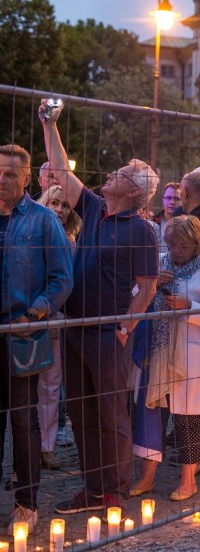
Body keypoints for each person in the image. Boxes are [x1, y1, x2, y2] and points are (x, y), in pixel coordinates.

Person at [41, 99, 160, 519]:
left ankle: (115, 491)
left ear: (134, 191)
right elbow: (60, 169)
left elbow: (146, 289)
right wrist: (48, 122)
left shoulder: (142, 229)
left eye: (121, 174)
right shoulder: (93, 208)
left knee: (111, 413)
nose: (111, 175)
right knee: (82, 412)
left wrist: (126, 328)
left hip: (108, 332)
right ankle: (91, 489)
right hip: (76, 326)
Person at [0, 144, 73, 535]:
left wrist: (34, 313)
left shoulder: (44, 221)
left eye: (10, 174)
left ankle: (26, 504)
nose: (1, 180)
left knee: (24, 422)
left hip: (23, 333)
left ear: (27, 178)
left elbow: (62, 278)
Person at [129, 216, 200, 502]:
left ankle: (188, 480)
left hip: (190, 355)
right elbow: (135, 294)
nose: (175, 250)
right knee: (153, 415)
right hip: (157, 354)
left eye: (182, 245)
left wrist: (189, 306)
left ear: (196, 243)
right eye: (171, 244)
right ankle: (147, 477)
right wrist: (154, 285)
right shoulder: (158, 263)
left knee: (188, 418)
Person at [36, 186, 80, 471]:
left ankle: (46, 446)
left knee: (51, 387)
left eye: (65, 205)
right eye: (54, 202)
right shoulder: (29, 234)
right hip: (25, 319)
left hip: (56, 321)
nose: (60, 210)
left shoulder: (72, 243)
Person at [153, 182, 181, 252]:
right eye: (168, 198)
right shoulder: (153, 222)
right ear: (163, 199)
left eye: (177, 199)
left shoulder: (188, 224)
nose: (172, 202)